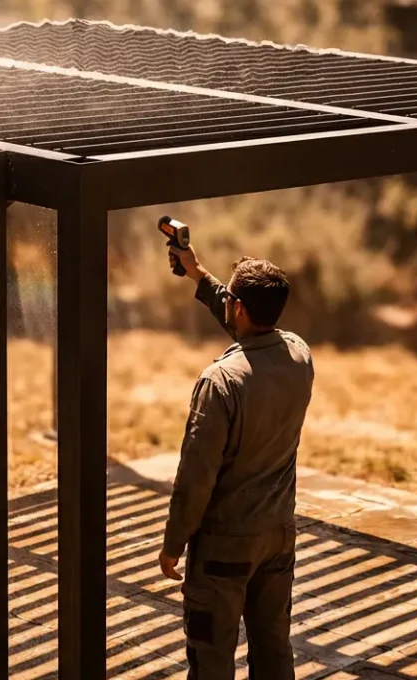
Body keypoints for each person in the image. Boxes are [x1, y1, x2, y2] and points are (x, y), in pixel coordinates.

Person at [158, 244, 315, 680]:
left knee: (211, 660)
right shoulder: (299, 355)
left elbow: (195, 479)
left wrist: (174, 542)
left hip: (225, 545)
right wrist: (198, 274)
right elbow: (255, 340)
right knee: (273, 653)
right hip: (277, 537)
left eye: (230, 301)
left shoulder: (219, 384)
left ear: (239, 308)